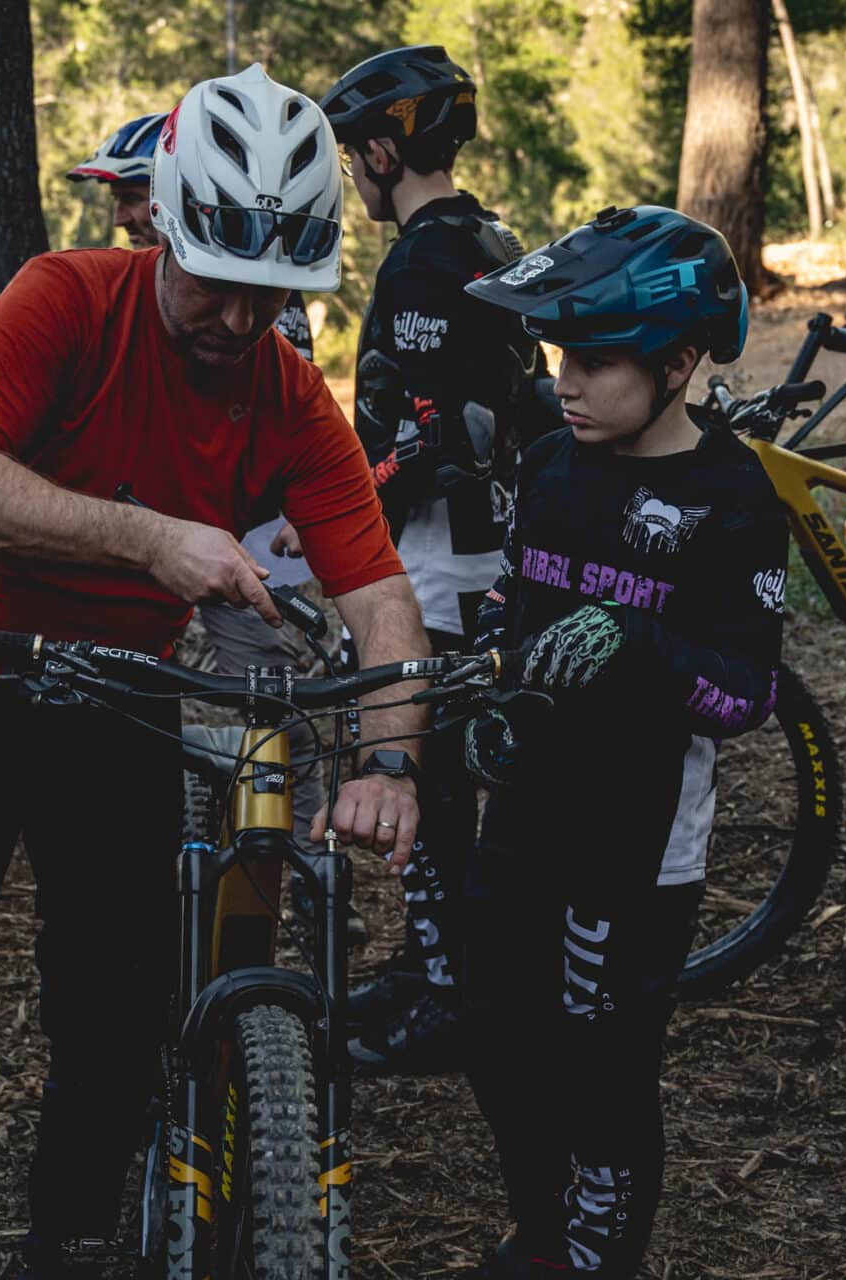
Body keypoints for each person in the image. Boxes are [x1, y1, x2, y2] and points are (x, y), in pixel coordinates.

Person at [0, 66, 432, 1280]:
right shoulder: (67, 299)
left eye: (270, 293)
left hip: (119, 698)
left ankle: (66, 1242)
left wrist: (391, 757)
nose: (238, 317)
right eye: (216, 279)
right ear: (163, 226)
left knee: (116, 1007)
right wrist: (148, 539)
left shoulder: (288, 396)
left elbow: (382, 594)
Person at [454, 206, 786, 1280]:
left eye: (596, 362)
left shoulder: (730, 495)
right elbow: (512, 596)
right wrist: (486, 672)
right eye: (562, 357)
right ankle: (542, 1229)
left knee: (601, 1058)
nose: (568, 382)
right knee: (493, 1027)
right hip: (527, 809)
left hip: (637, 838)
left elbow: (744, 693)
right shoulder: (550, 462)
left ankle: (601, 1256)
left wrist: (633, 638)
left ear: (679, 362)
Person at [318, 43, 555, 1072]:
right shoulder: (490, 235)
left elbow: (433, 435)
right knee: (445, 778)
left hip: (434, 565)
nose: (351, 174)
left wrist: (343, 504)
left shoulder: (420, 259)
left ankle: (453, 995)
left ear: (382, 152)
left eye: (352, 155)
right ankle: (432, 964)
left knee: (427, 782)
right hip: (484, 547)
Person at [71, 110, 335, 877]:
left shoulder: (258, 298)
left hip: (238, 541)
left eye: (131, 195)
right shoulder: (111, 298)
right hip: (135, 540)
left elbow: (285, 425)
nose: (121, 216)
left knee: (272, 703)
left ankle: (303, 860)